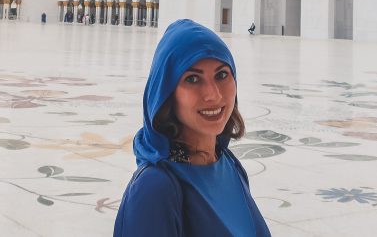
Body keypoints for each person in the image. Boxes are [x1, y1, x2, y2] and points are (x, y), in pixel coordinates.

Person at [114, 19, 270, 236]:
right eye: (193, 79)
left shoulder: (229, 165)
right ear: (167, 93)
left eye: (222, 75)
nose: (213, 95)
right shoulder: (155, 189)